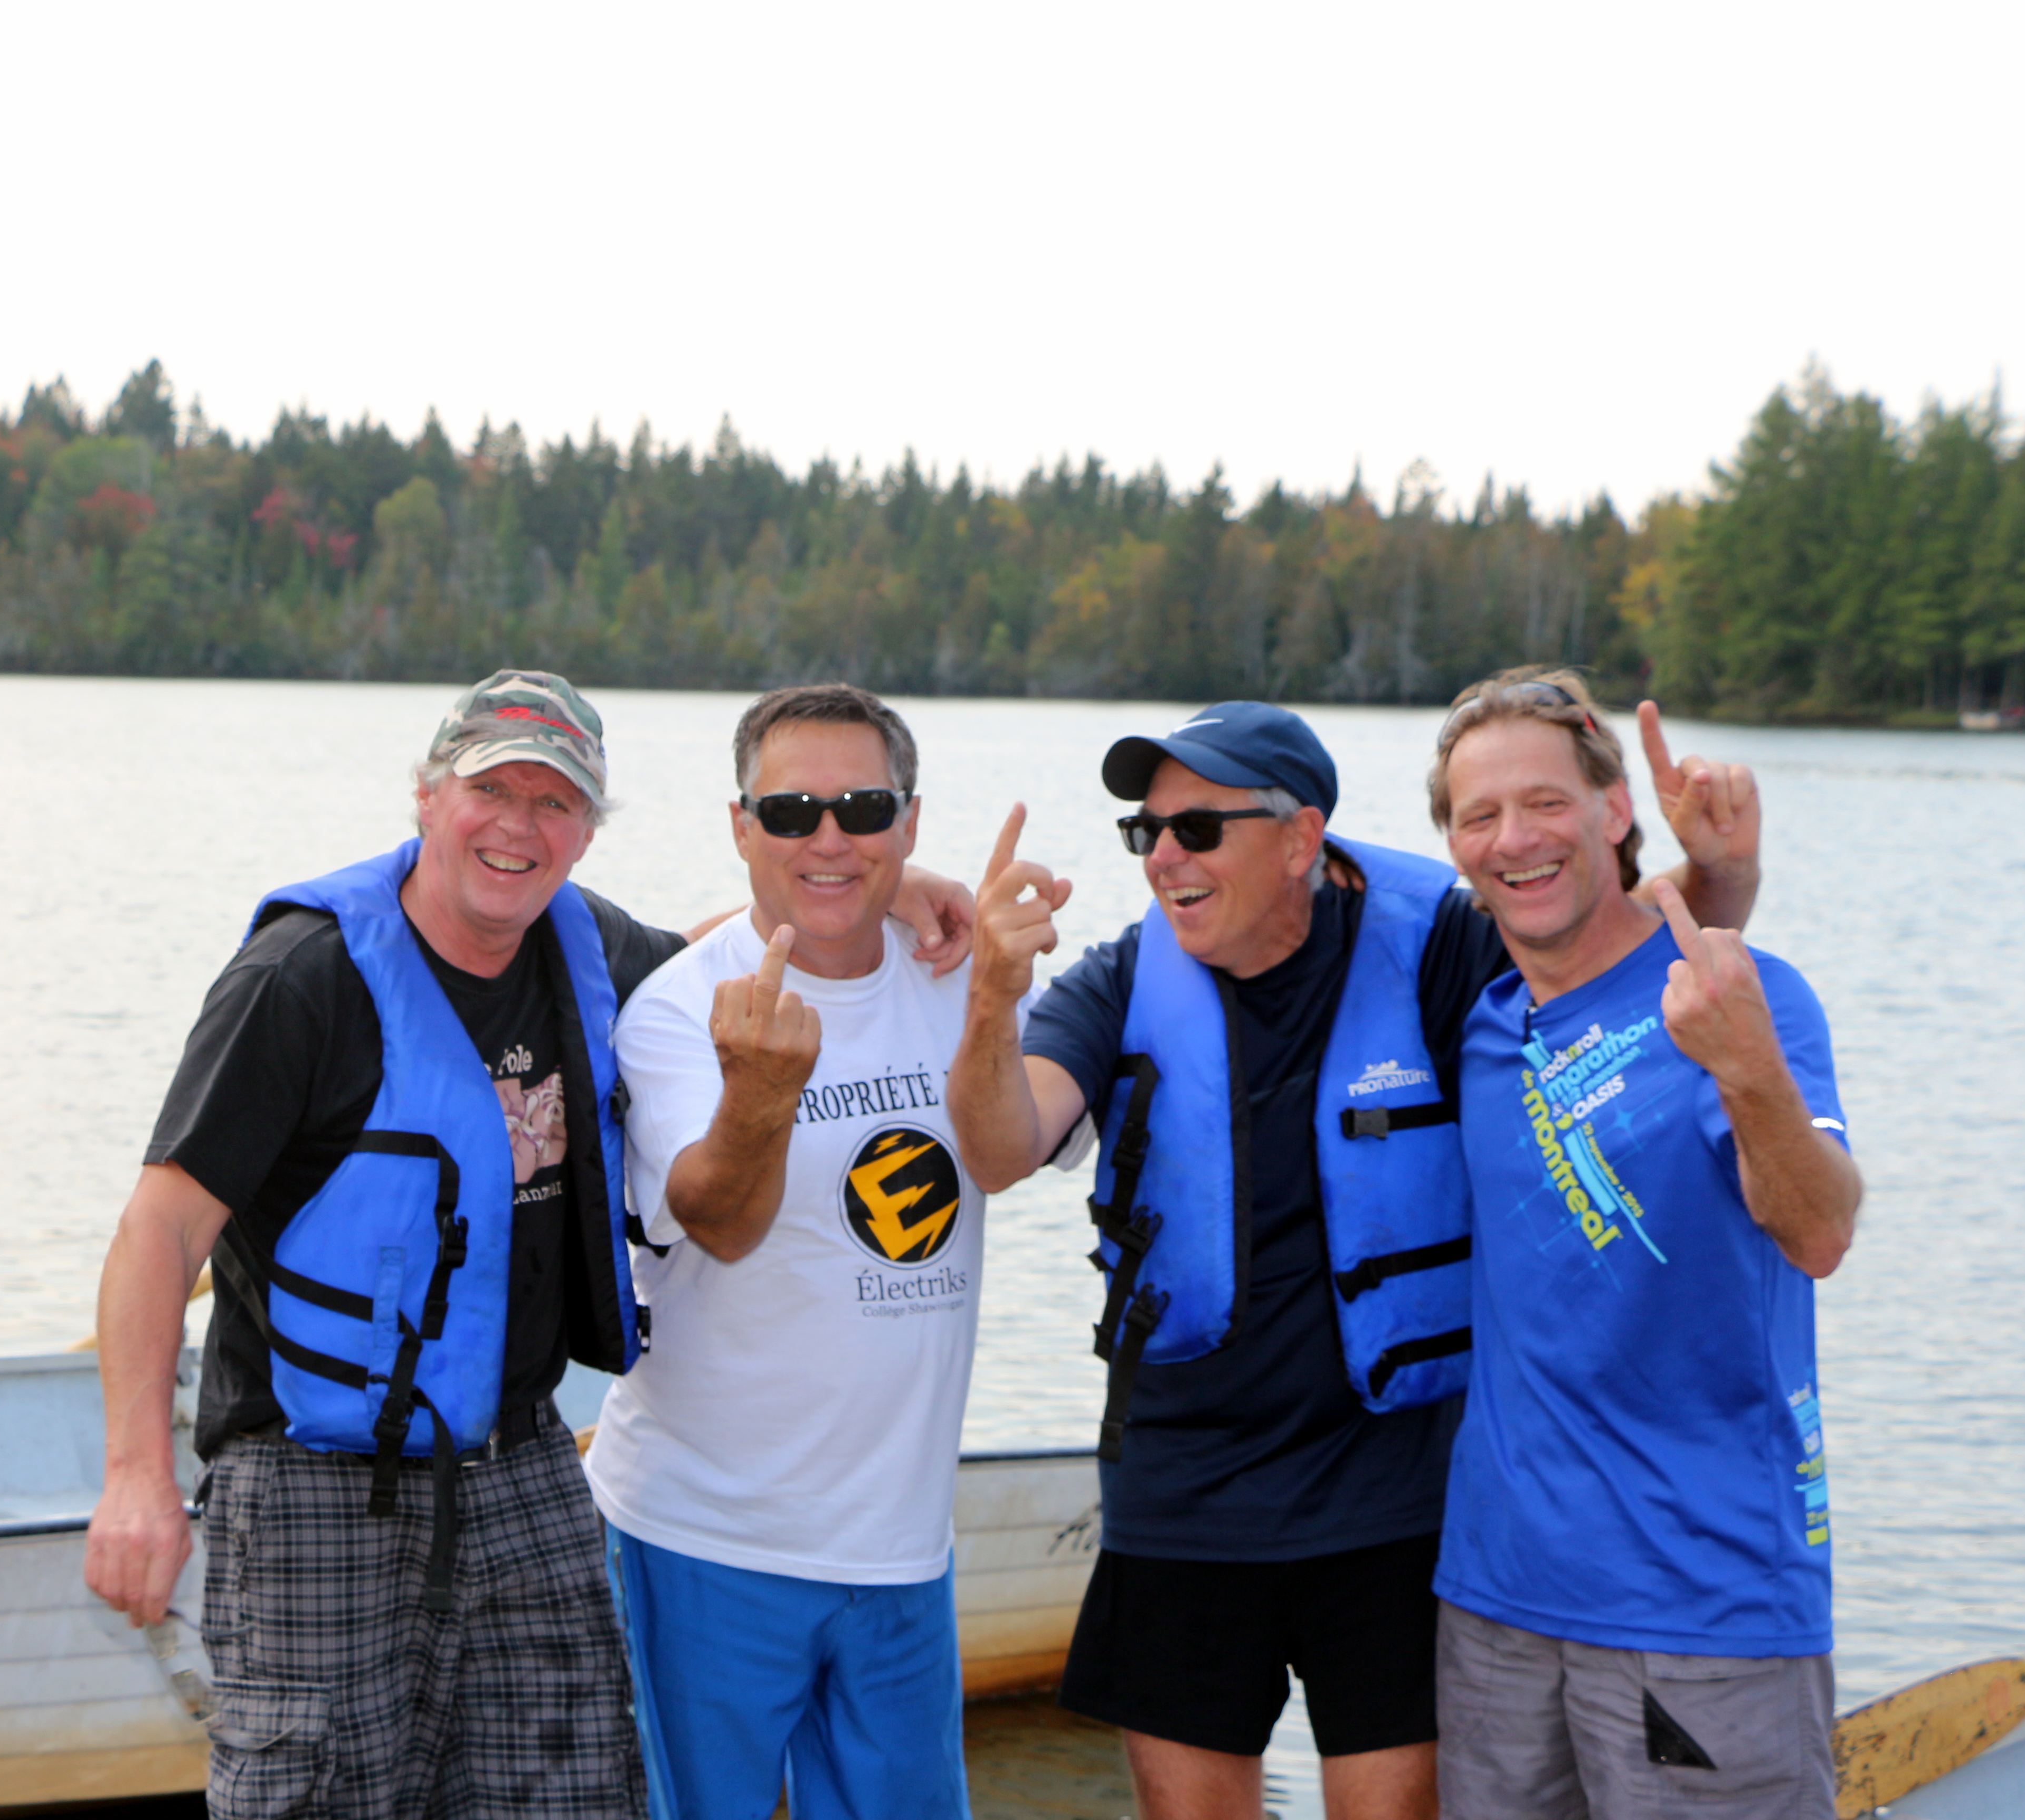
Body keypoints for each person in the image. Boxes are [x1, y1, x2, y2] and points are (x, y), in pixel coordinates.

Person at [82, 670, 972, 1820]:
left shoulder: (591, 948)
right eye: (490, 790)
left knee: (575, 1793)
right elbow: (159, 1232)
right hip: (311, 1470)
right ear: (426, 796)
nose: (519, 826)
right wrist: (137, 1479)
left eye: (555, 803)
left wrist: (884, 888)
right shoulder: (300, 983)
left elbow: (732, 948)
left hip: (520, 1458)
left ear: (588, 830)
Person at [948, 693, 1764, 1820]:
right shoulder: (1120, 982)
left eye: (1199, 829)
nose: (1165, 857)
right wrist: (991, 997)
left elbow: (1622, 971)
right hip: (1183, 1499)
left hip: (1398, 1500)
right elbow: (998, 1149)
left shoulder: (1438, 950)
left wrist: (1721, 877)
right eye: (1148, 831)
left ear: (1300, 839)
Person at [584, 684, 1076, 1820]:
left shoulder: (963, 974)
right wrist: (759, 1096)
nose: (828, 838)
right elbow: (719, 1219)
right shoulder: (679, 1010)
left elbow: (1009, 1151)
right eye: (789, 811)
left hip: (901, 1552)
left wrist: (997, 997)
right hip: (703, 1538)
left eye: (862, 809)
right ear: (739, 826)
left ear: (910, 820)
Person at [1424, 670, 1858, 1820]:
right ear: (1456, 847)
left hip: (1704, 1609)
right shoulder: (1485, 1027)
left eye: (1546, 803)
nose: (1515, 840)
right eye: (1480, 815)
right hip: (1497, 1607)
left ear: (1615, 811)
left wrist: (1746, 1066)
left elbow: (1820, 1230)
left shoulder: (1741, 996)